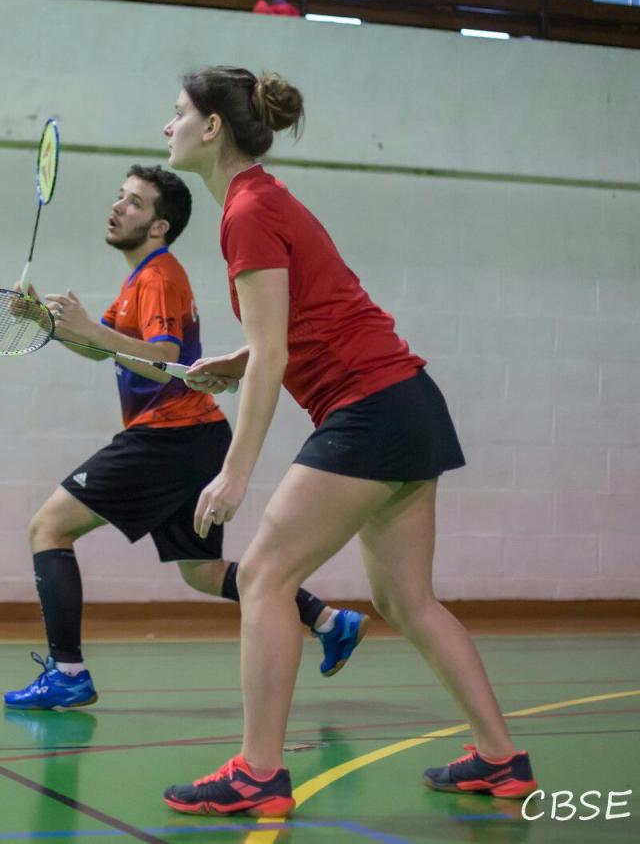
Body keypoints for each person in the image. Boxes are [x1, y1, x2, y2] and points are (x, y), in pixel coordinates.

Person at [158, 67, 537, 815]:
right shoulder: (262, 201)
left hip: (371, 409)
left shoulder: (247, 211)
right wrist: (236, 361)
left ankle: (258, 772)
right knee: (406, 596)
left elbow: (276, 355)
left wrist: (236, 471)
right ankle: (502, 757)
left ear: (211, 129)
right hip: (406, 403)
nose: (165, 127)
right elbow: (298, 320)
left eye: (175, 114)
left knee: (263, 575)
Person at [3, 164, 369, 711]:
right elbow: (105, 347)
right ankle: (328, 619)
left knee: (48, 527)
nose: (117, 207)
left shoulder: (159, 276)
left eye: (133, 203)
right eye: (118, 197)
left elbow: (166, 360)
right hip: (191, 437)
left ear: (158, 225)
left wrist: (86, 326)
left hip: (171, 435)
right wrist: (45, 322)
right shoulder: (139, 279)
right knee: (202, 573)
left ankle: (68, 672)